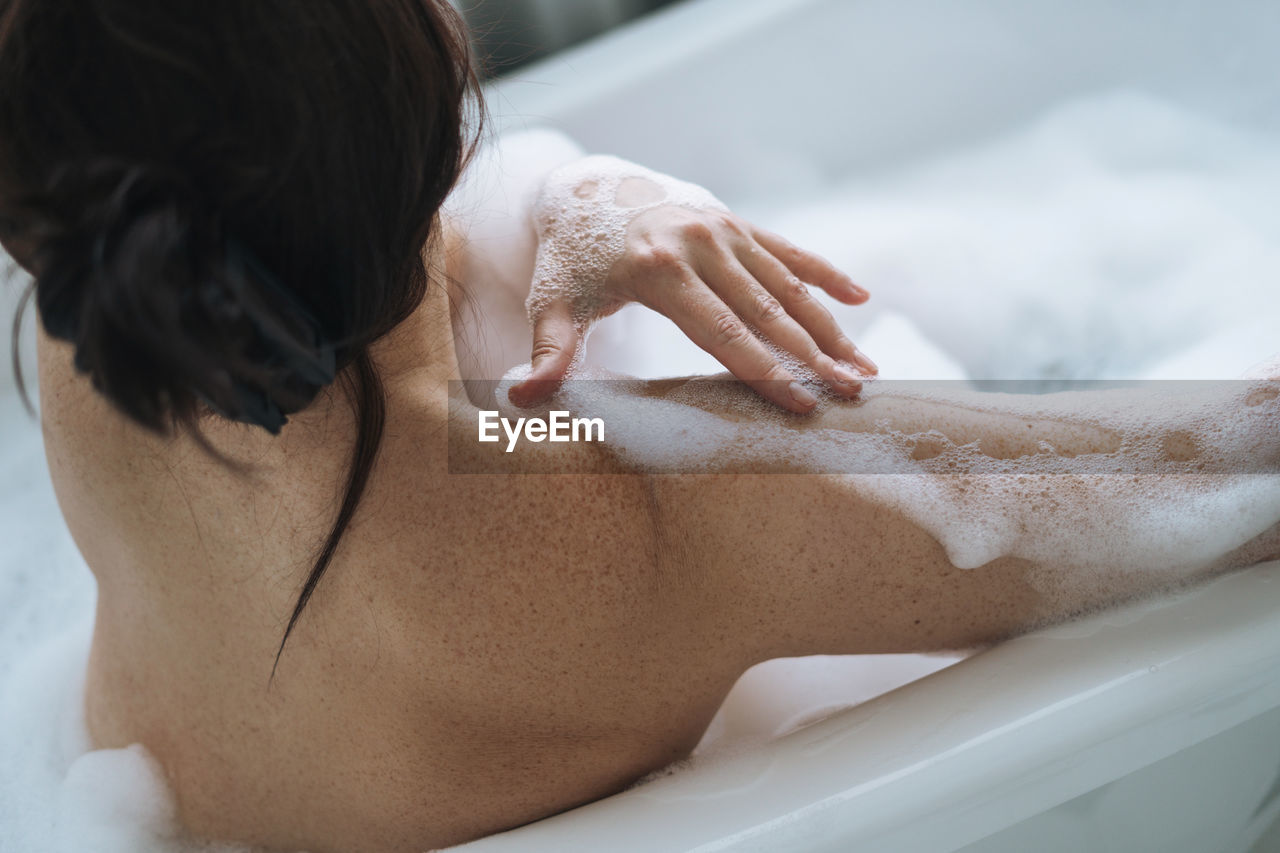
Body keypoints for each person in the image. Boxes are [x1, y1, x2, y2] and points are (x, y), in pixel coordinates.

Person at [1, 2, 1276, 852]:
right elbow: (1220, 472)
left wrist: (573, 191)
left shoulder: (105, 330)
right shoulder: (592, 505)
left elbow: (378, 274)